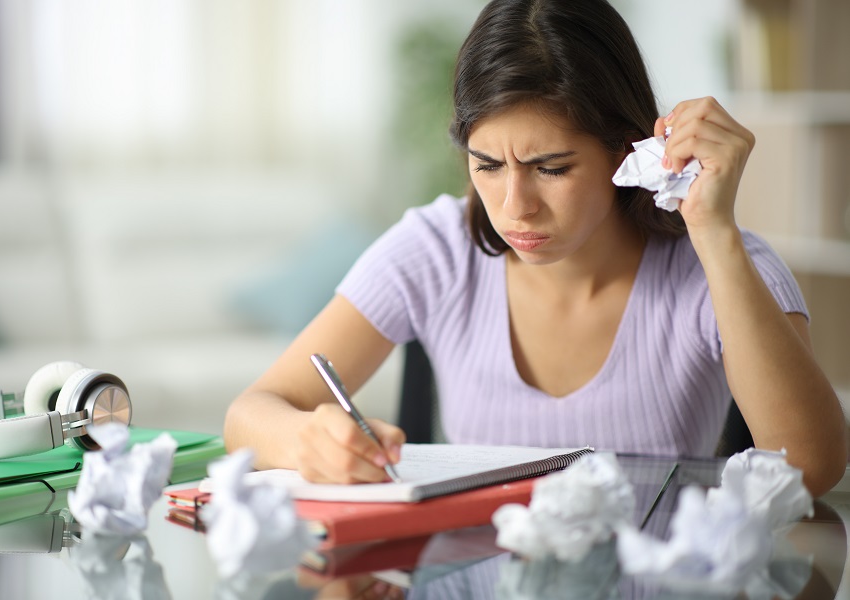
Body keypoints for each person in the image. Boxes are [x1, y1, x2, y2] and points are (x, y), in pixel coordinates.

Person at [224, 0, 847, 496]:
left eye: (551, 168)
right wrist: (309, 439)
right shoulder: (433, 248)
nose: (513, 206)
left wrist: (714, 232)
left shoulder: (720, 264)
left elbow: (812, 469)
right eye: (487, 164)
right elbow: (250, 414)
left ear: (626, 149)